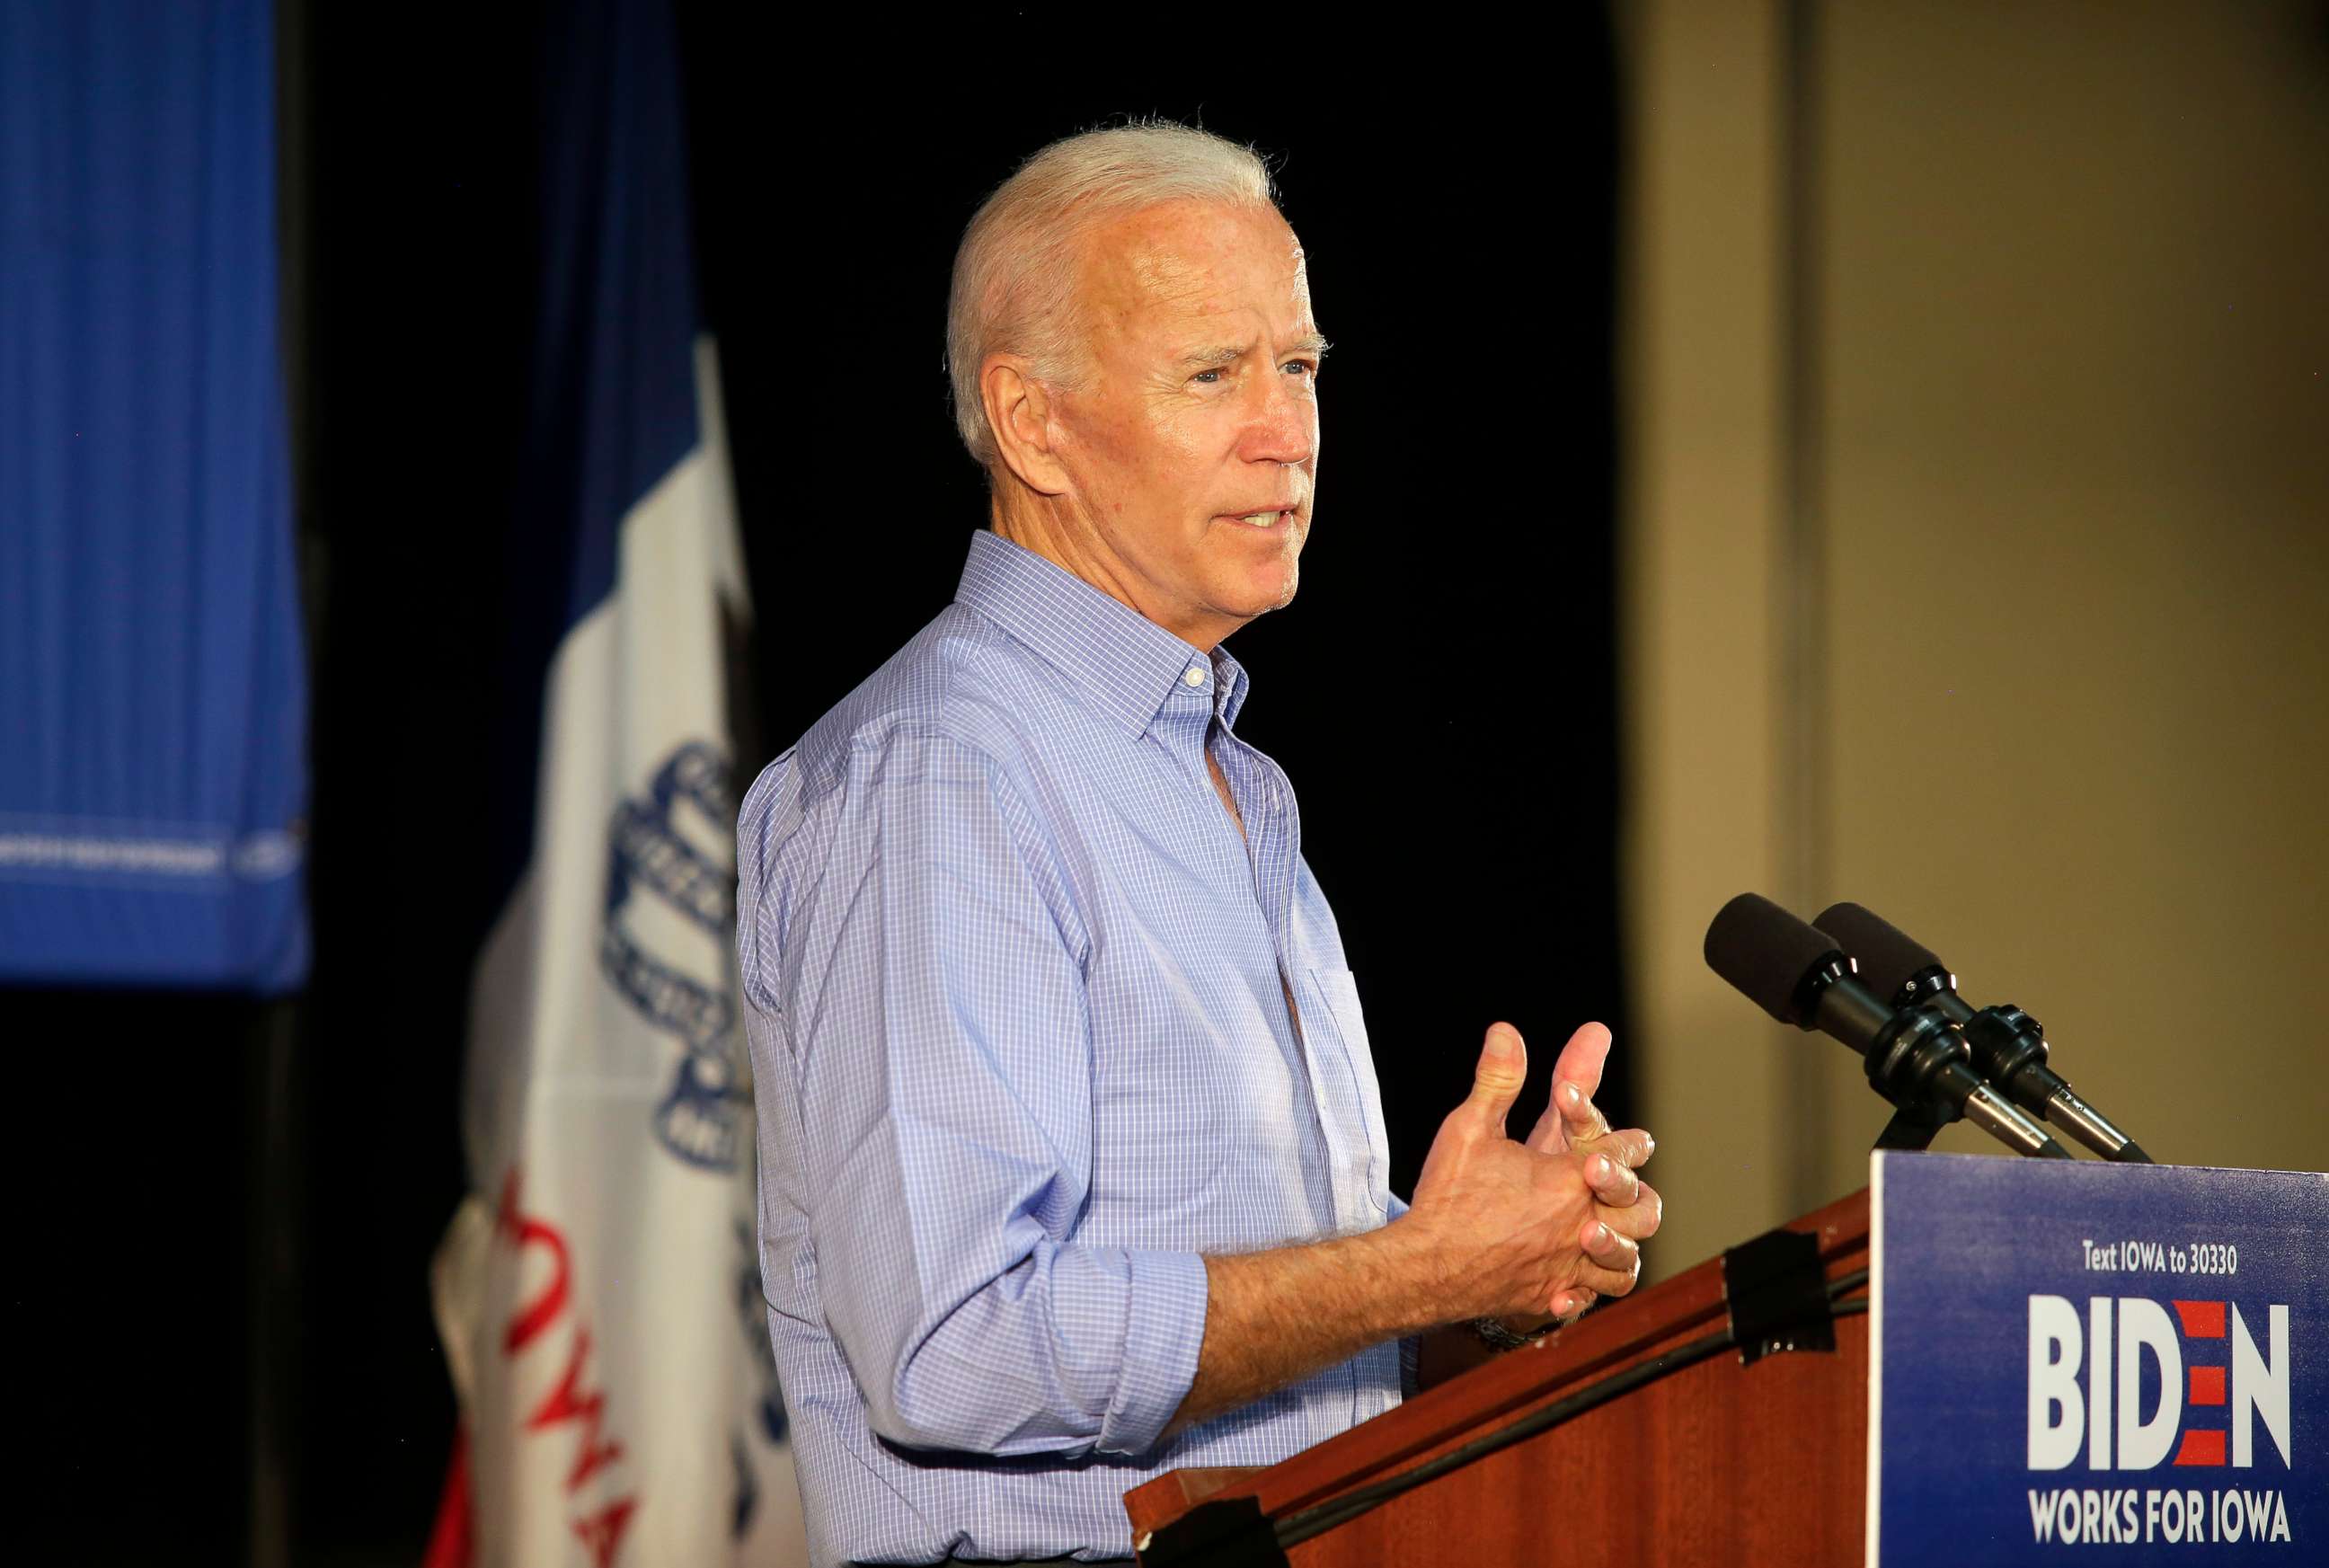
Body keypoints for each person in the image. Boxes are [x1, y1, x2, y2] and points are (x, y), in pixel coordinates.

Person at [735, 120, 1661, 1567]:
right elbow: (959, 1347)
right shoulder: (942, 779)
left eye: (1298, 367)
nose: (1286, 430)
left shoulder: (1228, 786)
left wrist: (1477, 1280)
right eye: (1211, 373)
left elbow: (1284, 1389)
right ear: (1031, 422)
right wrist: (1414, 1263)